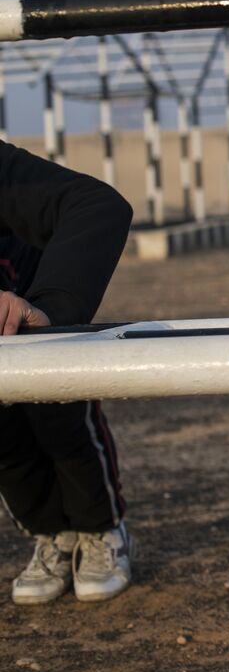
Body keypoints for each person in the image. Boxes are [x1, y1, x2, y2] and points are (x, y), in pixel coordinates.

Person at [0, 140, 135, 604]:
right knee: (4, 437)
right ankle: (51, 535)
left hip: (24, 300)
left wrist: (52, 310)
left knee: (59, 414)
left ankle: (101, 530)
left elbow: (98, 206)